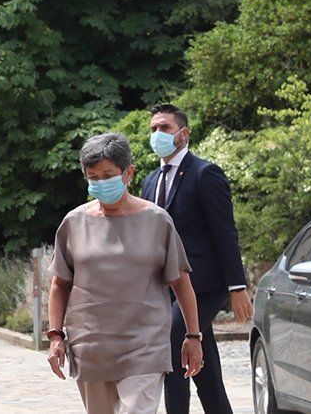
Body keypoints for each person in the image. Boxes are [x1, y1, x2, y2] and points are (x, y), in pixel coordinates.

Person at [47, 132, 204, 414]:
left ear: (128, 172)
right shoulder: (74, 222)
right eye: (92, 177)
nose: (99, 182)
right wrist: (56, 336)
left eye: (107, 175)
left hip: (145, 345)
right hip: (91, 347)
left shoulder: (157, 221)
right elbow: (60, 283)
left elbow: (181, 282)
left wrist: (193, 336)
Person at [140, 103, 250, 414]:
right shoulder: (150, 181)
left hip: (204, 284)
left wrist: (237, 286)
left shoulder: (205, 173)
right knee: (204, 361)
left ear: (183, 134)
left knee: (174, 344)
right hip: (168, 287)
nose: (158, 134)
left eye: (165, 128)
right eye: (153, 129)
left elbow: (225, 232)